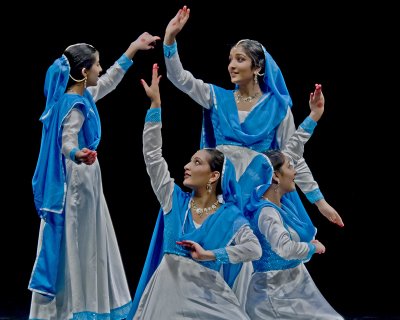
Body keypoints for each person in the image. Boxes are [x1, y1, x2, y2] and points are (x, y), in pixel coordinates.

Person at [163, 5, 344, 229]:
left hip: (257, 192)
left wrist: (320, 202)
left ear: (257, 67)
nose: (231, 65)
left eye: (240, 59)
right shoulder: (216, 97)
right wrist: (170, 40)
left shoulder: (276, 108)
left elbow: (291, 157)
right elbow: (179, 78)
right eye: (230, 59)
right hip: (221, 189)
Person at [28, 32, 161, 320]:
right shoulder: (73, 105)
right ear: (83, 72)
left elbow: (111, 79)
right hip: (76, 181)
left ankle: (78, 305)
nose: (101, 70)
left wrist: (134, 48)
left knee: (85, 239)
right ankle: (74, 308)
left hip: (84, 176)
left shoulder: (81, 95)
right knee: (79, 240)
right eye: (97, 65)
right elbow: (67, 141)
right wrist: (78, 154)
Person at [127, 63, 262, 320]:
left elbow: (253, 248)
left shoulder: (229, 215)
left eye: (197, 162)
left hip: (209, 297)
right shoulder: (173, 200)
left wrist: (211, 254)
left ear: (214, 176)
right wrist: (155, 106)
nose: (187, 167)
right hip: (167, 297)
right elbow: (153, 157)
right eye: (190, 161)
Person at [243, 90, 344, 319]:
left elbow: (294, 148)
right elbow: (285, 249)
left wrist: (314, 115)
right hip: (272, 295)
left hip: (292, 287)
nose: (295, 171)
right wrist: (312, 248)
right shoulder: (267, 212)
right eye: (290, 168)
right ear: (276, 176)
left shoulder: (280, 204)